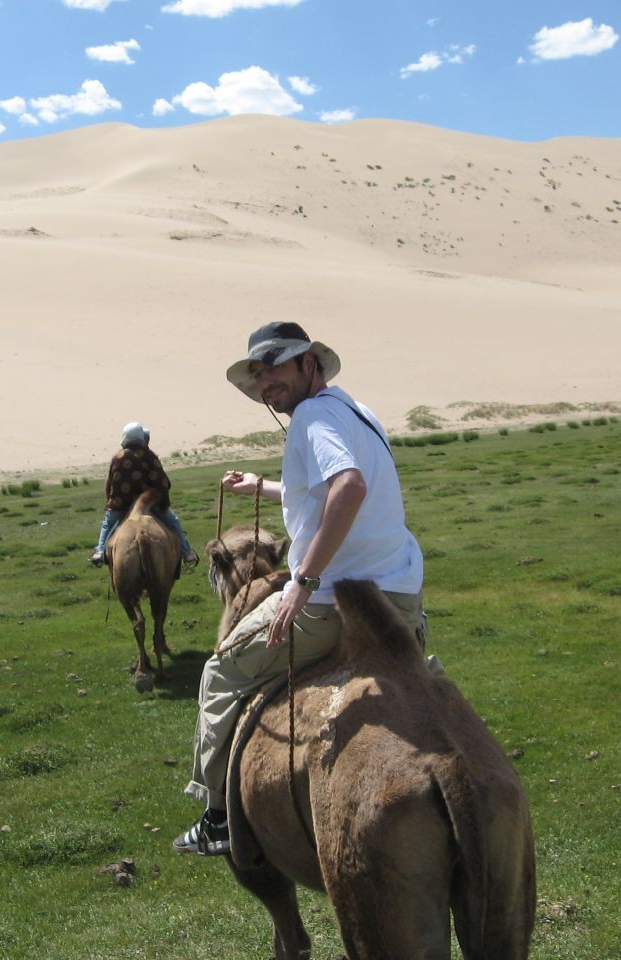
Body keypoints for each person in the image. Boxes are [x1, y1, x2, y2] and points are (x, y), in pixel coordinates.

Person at [173, 322, 432, 856]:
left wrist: (302, 583)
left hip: (335, 601)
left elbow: (349, 486)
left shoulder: (313, 417)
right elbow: (331, 485)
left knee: (220, 670)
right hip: (399, 597)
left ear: (309, 363)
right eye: (258, 374)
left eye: (275, 367)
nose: (266, 382)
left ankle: (218, 816)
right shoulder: (356, 411)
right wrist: (263, 486)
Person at [89, 421, 198, 569]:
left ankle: (100, 551)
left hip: (121, 504)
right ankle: (187, 553)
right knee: (173, 522)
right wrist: (163, 502)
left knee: (108, 523)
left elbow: (110, 484)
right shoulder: (149, 456)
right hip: (150, 504)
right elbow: (163, 482)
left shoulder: (117, 457)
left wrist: (111, 503)